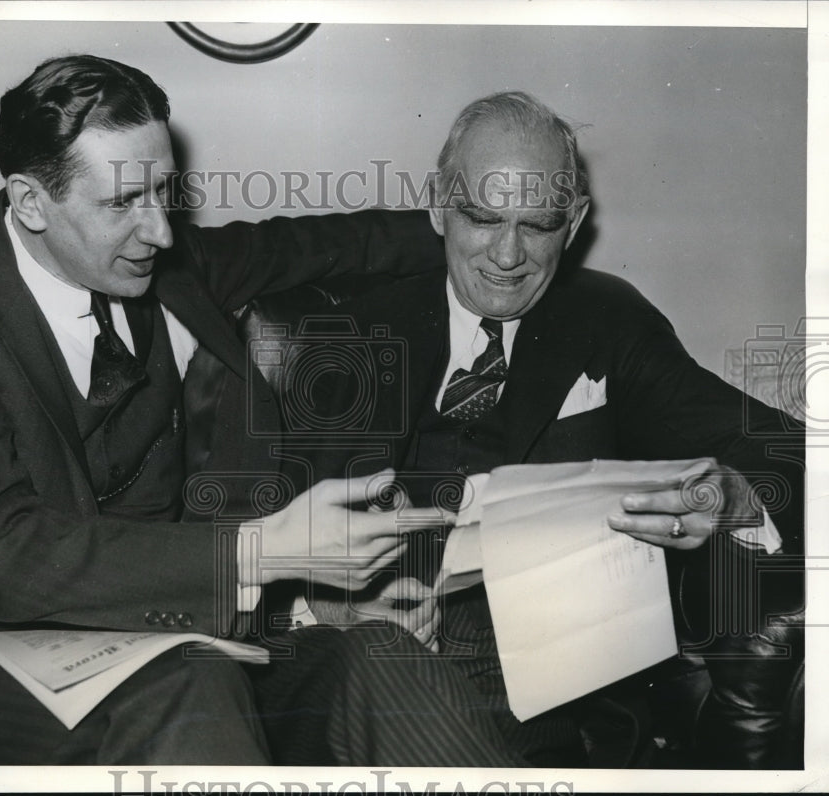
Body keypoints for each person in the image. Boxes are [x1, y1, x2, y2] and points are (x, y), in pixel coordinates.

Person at [0, 54, 453, 765]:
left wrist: (473, 229)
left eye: (163, 193)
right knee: (188, 685)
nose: (162, 232)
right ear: (30, 203)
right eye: (123, 203)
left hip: (147, 632)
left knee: (377, 655)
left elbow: (307, 246)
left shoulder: (155, 259)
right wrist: (266, 549)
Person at [237, 91, 805, 767]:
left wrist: (734, 495)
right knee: (378, 660)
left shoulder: (605, 322)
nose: (508, 255)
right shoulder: (344, 336)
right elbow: (238, 545)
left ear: (574, 222)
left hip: (545, 692)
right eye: (482, 217)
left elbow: (784, 447)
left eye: (537, 225)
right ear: (438, 206)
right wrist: (326, 610)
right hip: (353, 665)